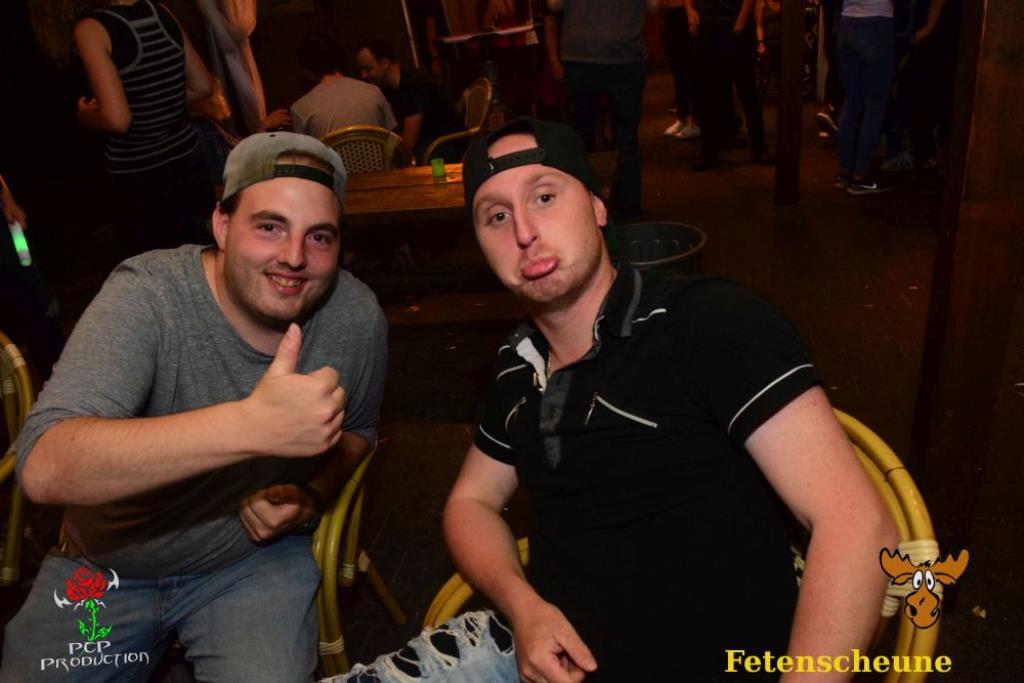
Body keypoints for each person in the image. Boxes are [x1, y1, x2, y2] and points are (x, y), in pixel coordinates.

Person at [337, 117, 897, 682]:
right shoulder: (517, 364)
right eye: (496, 216)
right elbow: (470, 503)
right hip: (542, 653)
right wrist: (523, 607)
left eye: (544, 197)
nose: (524, 231)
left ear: (598, 207)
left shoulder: (707, 322)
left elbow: (857, 526)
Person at [2, 132, 388, 681]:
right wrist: (249, 426)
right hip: (107, 567)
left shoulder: (355, 317)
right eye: (270, 226)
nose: (294, 257)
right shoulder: (149, 294)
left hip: (250, 563)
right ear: (222, 225)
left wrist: (312, 494)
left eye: (319, 236)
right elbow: (44, 466)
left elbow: (360, 431)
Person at [31, 0, 217, 254]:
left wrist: (86, 115)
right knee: (204, 255)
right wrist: (156, 102)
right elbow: (203, 86)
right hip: (189, 160)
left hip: (142, 175)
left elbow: (117, 119)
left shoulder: (92, 29)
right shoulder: (160, 11)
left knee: (156, 267)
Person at [548, 0, 655, 218]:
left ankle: (584, 210)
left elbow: (554, 4)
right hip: (625, 56)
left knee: (581, 140)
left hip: (581, 55)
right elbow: (654, 5)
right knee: (626, 140)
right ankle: (629, 212)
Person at [687, 0, 775, 170]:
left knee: (747, 91)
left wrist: (740, 22)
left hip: (733, 25)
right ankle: (709, 152)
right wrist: (689, 9)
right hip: (709, 28)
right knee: (709, 94)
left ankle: (758, 148)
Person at [355, 38, 464, 163]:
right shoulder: (389, 87)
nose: (363, 75)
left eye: (368, 69)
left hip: (447, 146)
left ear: (385, 63)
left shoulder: (414, 85)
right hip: (429, 144)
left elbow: (409, 143)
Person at [285, 31, 397, 141]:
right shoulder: (373, 92)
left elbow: (306, 152)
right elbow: (392, 140)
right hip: (375, 154)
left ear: (307, 68)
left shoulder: (300, 109)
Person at [833, 0, 895, 195]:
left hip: (847, 22)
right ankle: (861, 177)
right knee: (874, 106)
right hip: (876, 22)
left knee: (851, 101)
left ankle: (844, 173)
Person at [663, 0, 701, 140]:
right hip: (671, 15)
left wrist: (689, 10)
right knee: (678, 72)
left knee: (691, 70)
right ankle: (682, 118)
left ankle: (696, 122)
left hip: (685, 14)